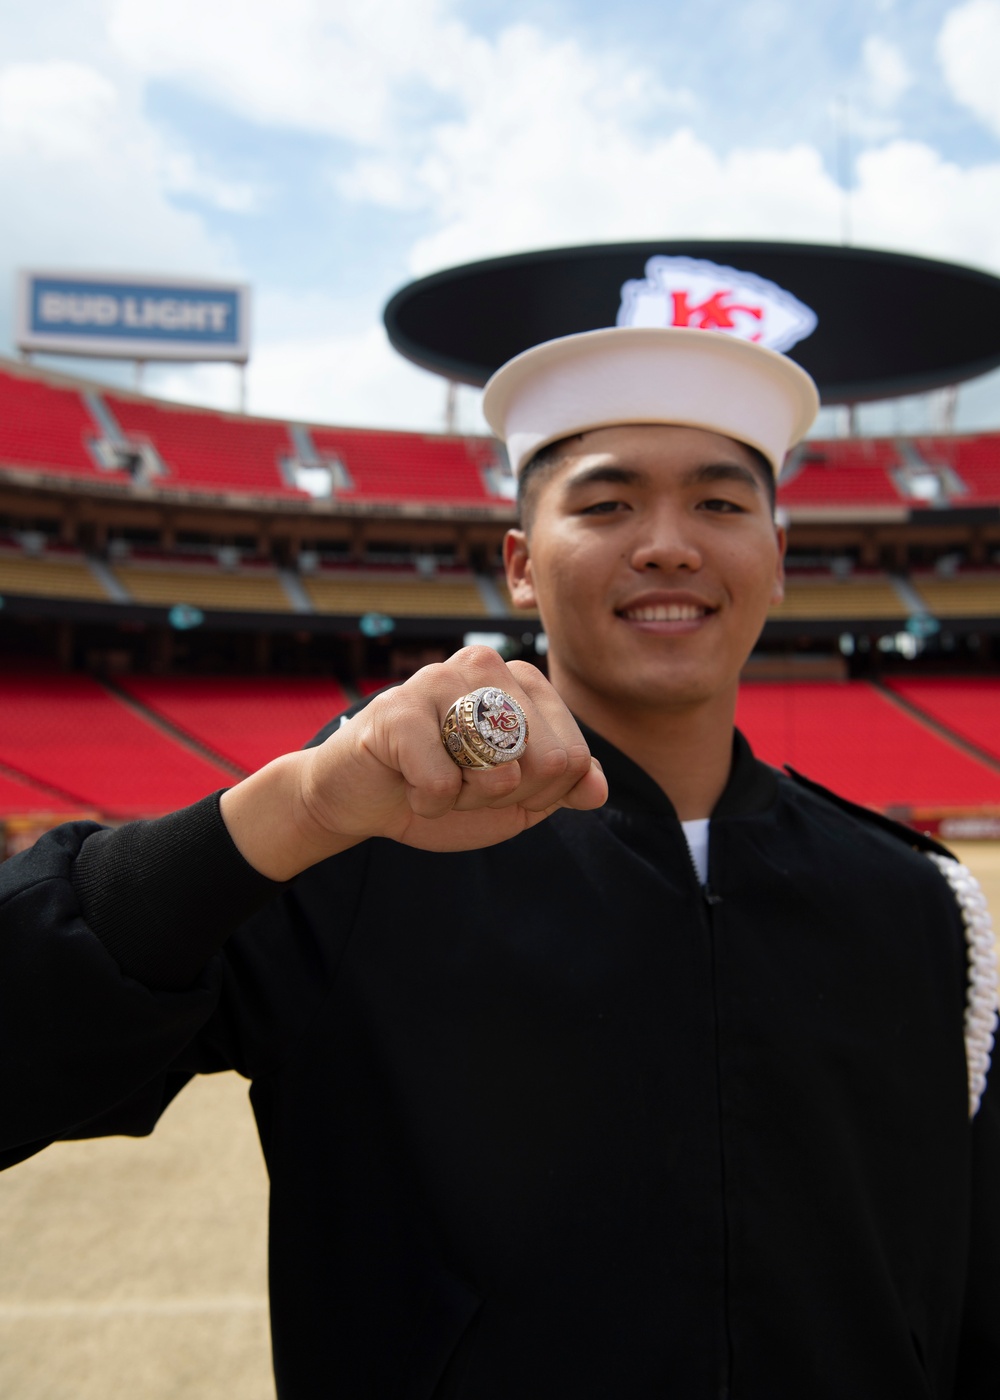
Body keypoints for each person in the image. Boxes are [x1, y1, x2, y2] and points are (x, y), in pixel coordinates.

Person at [1, 326, 997, 1400]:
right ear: (519, 561)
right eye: (606, 503)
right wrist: (287, 810)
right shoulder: (352, 855)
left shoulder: (920, 903)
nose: (668, 543)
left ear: (778, 556)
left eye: (719, 502)